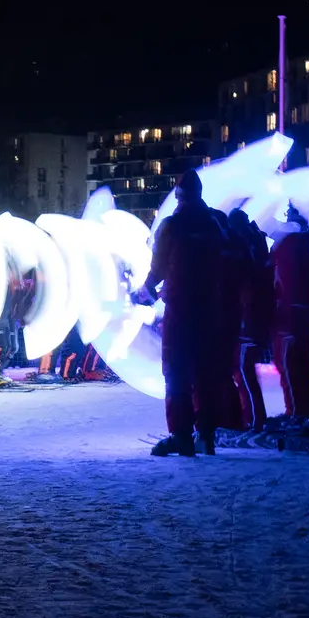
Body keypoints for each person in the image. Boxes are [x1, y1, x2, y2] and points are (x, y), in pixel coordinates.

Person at [137, 169, 230, 455]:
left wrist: (146, 289)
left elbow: (159, 267)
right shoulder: (215, 225)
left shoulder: (173, 225)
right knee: (206, 372)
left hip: (181, 309)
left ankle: (181, 435)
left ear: (178, 195)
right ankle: (206, 435)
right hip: (211, 310)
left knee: (176, 372)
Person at [270, 206, 309, 421]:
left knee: (287, 364)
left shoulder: (287, 246)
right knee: (302, 364)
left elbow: (279, 281)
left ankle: (296, 412)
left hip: (289, 313)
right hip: (308, 311)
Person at [228, 208, 273, 427]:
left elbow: (246, 284)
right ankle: (252, 417)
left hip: (248, 319)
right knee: (243, 370)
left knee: (243, 370)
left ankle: (255, 419)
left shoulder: (243, 247)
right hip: (253, 316)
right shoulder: (254, 243)